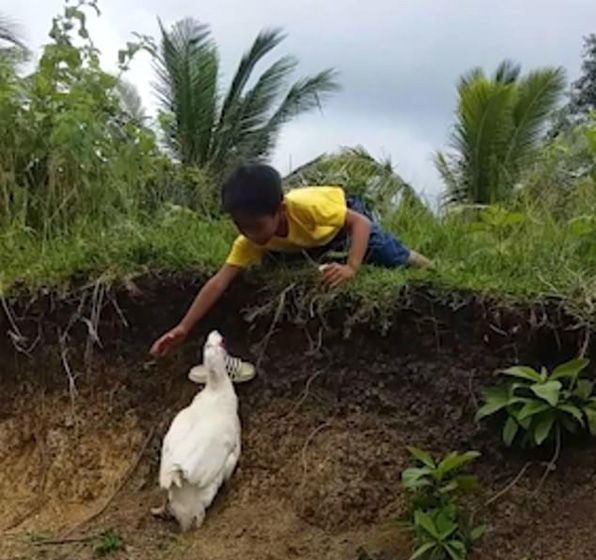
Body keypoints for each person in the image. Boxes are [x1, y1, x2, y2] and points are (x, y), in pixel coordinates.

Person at [150, 163, 432, 367]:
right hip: (305, 243)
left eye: (255, 225)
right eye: (241, 226)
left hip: (340, 223)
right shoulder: (249, 241)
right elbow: (219, 281)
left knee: (384, 251)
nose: (249, 234)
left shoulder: (308, 208)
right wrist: (184, 327)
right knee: (274, 263)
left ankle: (425, 263)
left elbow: (360, 223)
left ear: (280, 210)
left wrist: (351, 268)